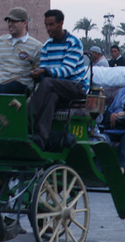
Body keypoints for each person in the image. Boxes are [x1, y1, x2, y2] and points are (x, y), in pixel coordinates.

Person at [30, 9, 88, 148]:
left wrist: (45, 72)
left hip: (76, 87)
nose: (48, 29)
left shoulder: (73, 43)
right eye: (46, 25)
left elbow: (67, 70)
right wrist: (38, 74)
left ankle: (28, 118)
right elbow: (45, 72)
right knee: (51, 97)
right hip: (55, 87)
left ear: (61, 23)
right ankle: (41, 138)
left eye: (51, 25)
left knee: (48, 83)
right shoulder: (46, 46)